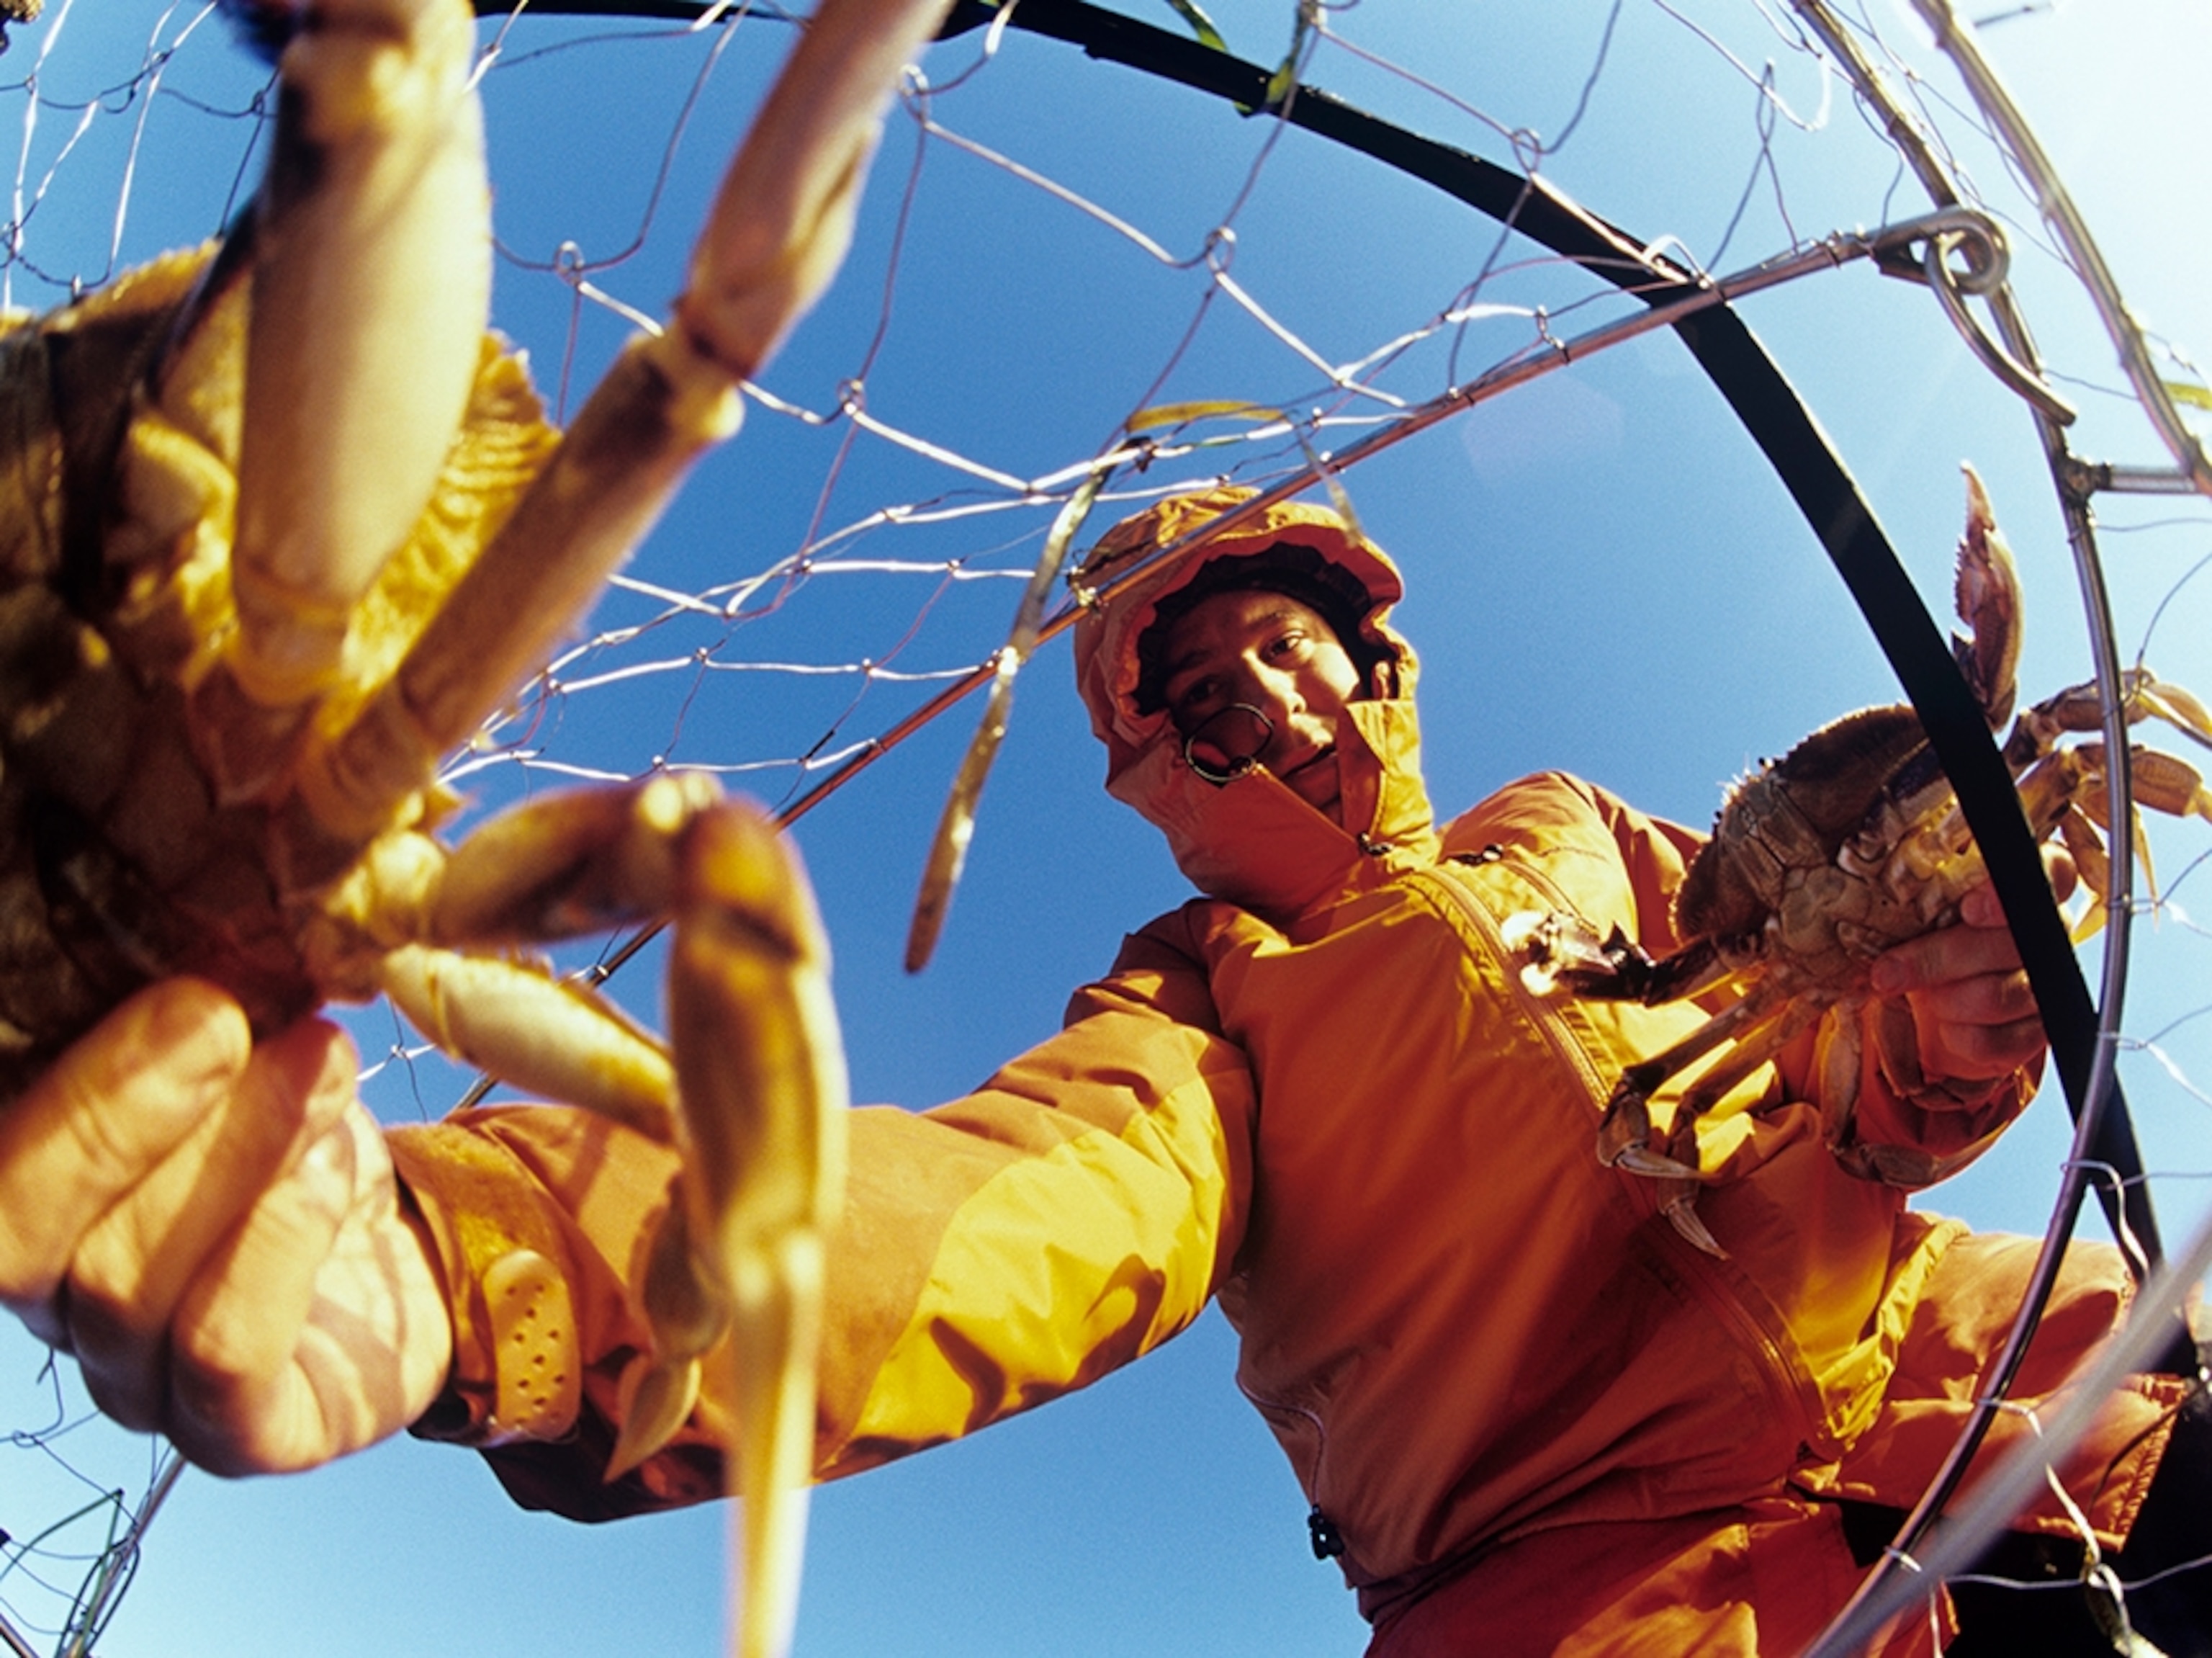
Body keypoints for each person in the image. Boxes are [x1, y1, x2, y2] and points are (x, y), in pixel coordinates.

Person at [0, 486, 2200, 1655]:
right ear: (1158, 771)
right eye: (1218, 708)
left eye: (1306, 659)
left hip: (1975, 1367)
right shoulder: (1195, 1010)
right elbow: (998, 1218)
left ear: (1380, 663)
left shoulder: (1575, 835)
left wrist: (1956, 983)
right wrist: (483, 1265)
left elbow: (1846, 1064)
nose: (1291, 717)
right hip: (1571, 1592)